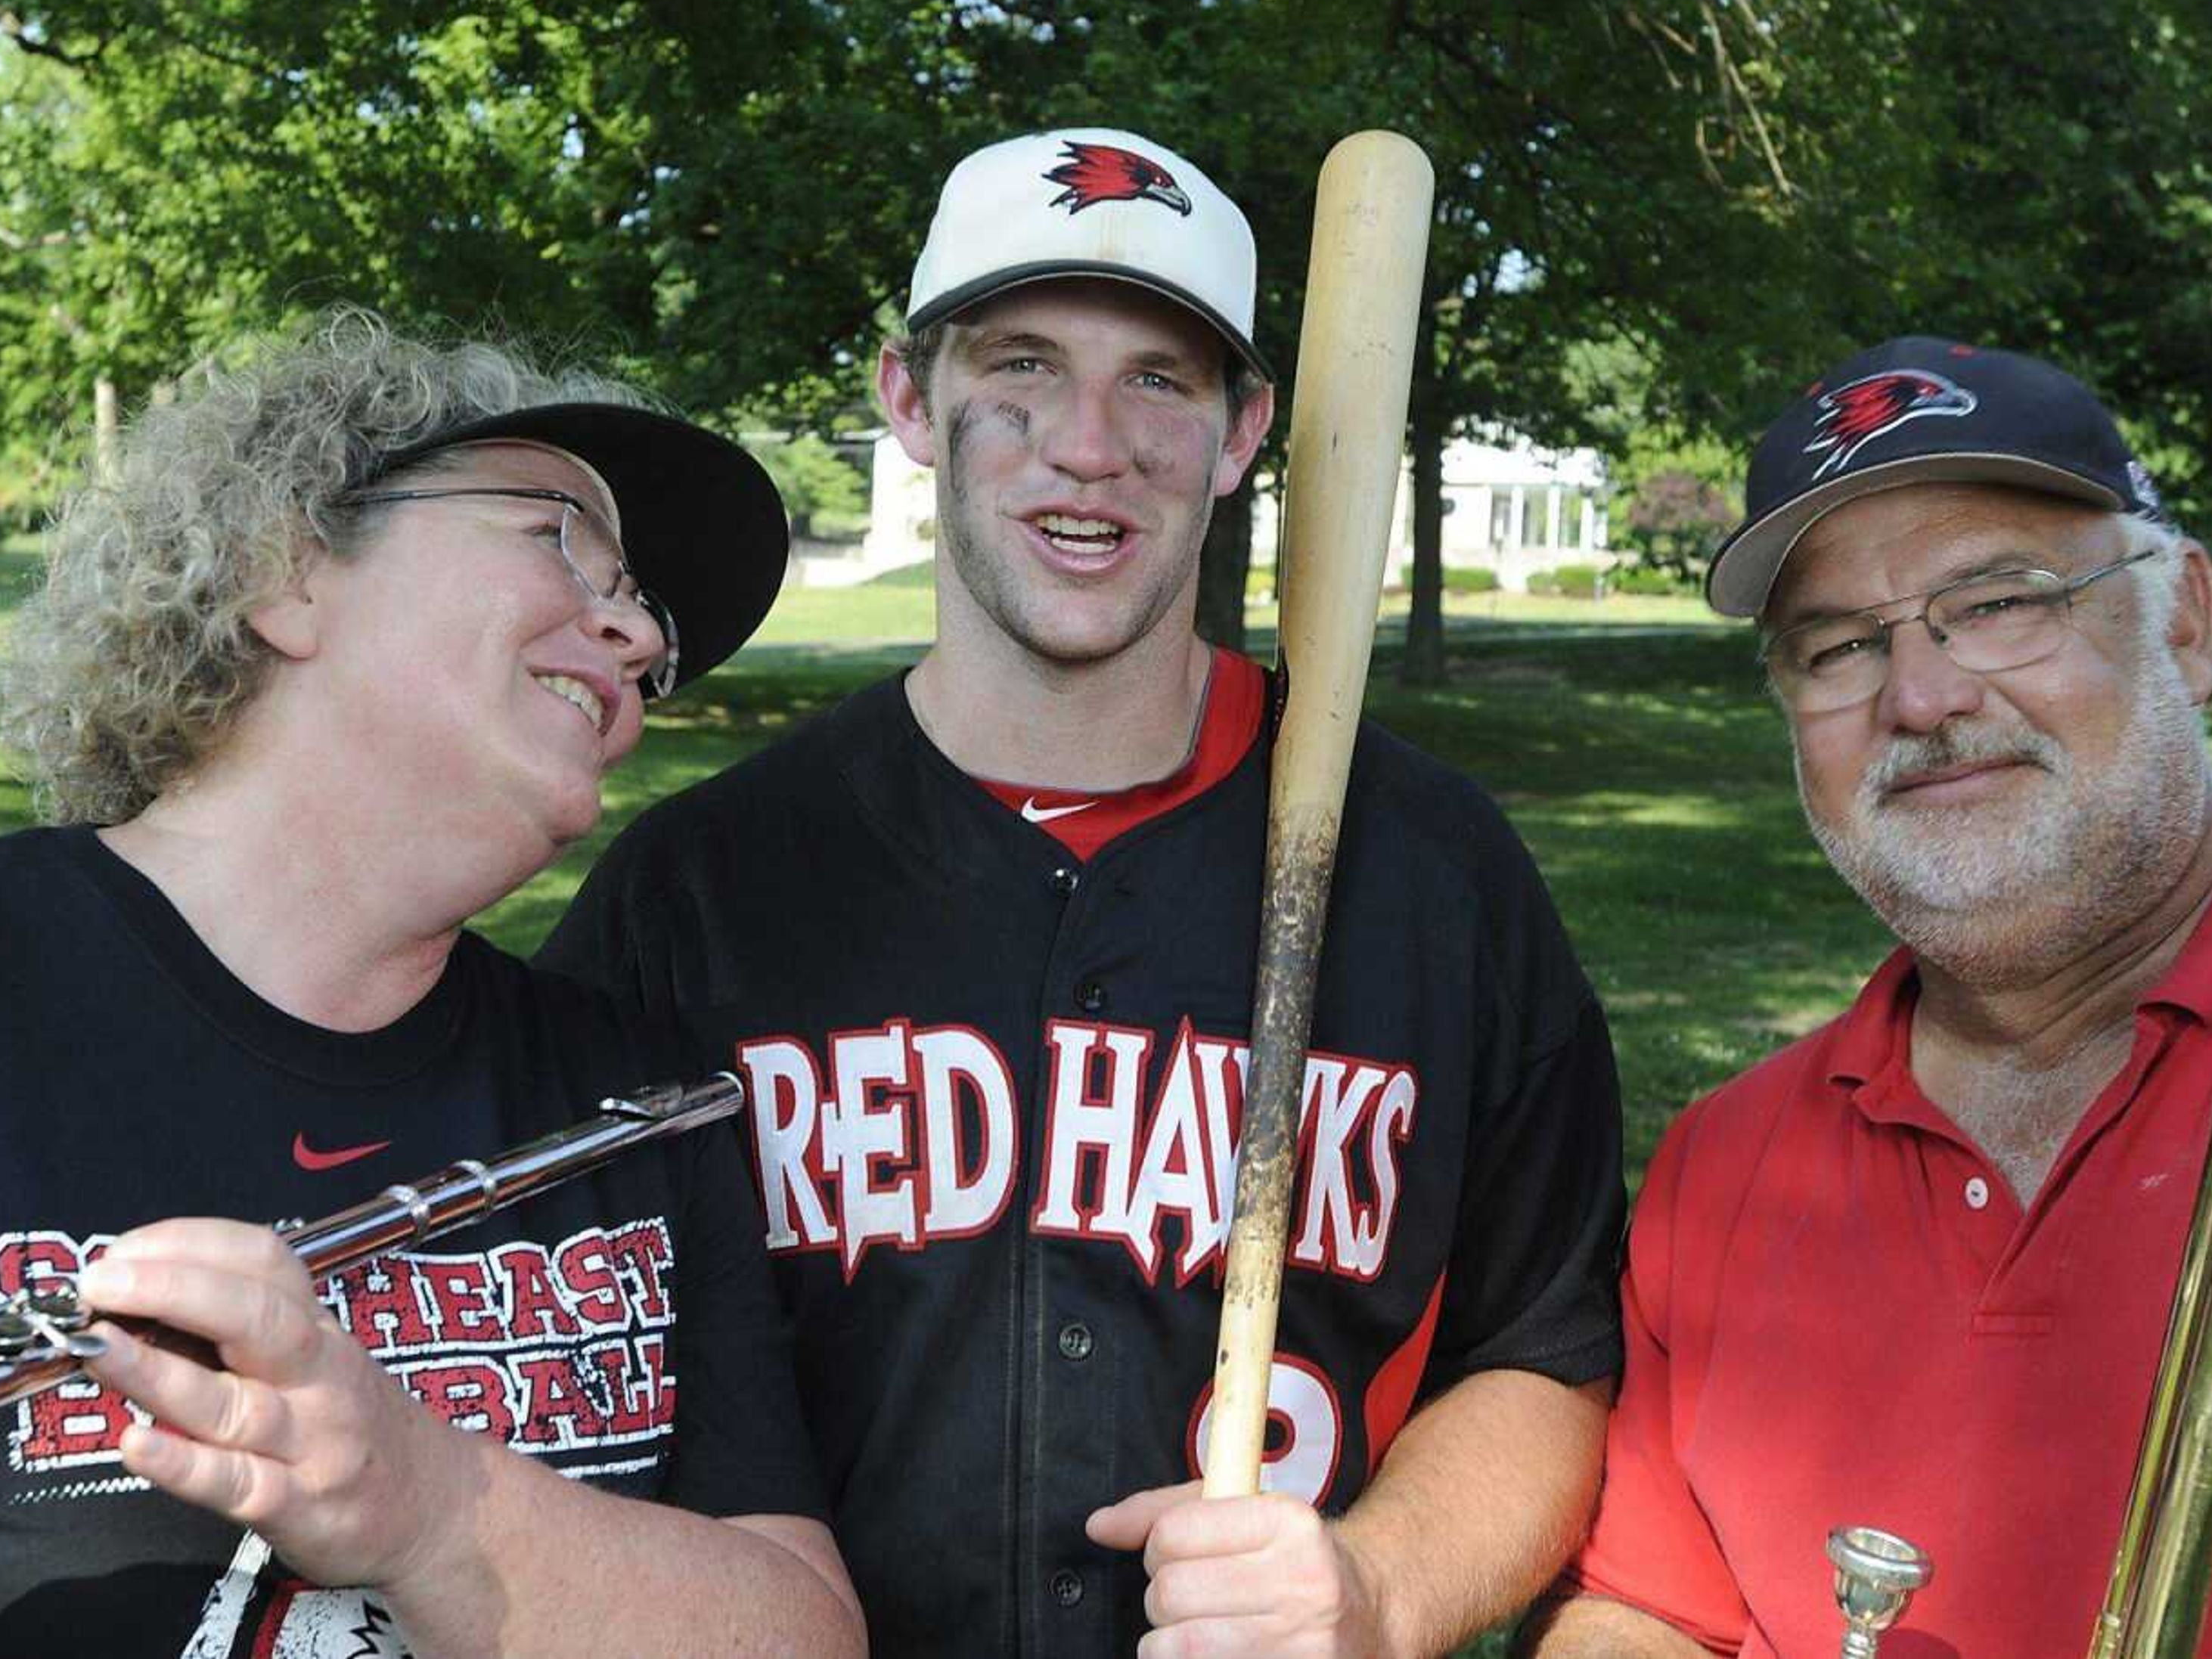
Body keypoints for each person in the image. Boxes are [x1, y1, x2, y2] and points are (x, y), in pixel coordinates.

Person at [0, 310, 864, 1659]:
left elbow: (801, 1632)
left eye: (646, 602)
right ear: (282, 568)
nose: (636, 629)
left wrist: (429, 1505)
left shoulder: (641, 1103)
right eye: (554, 535)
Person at [538, 128, 1627, 1657]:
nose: (1092, 445)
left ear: (1245, 434)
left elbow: (1546, 1356)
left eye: (1161, 381)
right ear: (908, 402)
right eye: (1025, 367)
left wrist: (1380, 1593)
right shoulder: (702, 890)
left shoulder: (1434, 879)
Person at [1522, 336, 2212, 1656]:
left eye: (2002, 602)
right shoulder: (1727, 1165)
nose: (1922, 694)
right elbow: (1638, 1609)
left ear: (2183, 619)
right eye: (1838, 645)